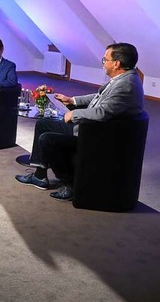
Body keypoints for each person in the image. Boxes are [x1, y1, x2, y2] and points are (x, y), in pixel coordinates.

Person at [15, 42, 144, 201]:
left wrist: (74, 113)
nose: (103, 63)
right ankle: (39, 176)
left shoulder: (126, 85)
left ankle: (69, 184)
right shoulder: (123, 78)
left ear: (116, 63)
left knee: (47, 139)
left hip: (97, 137)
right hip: (93, 130)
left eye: (105, 60)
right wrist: (73, 100)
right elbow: (98, 96)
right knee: (43, 124)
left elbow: (101, 112)